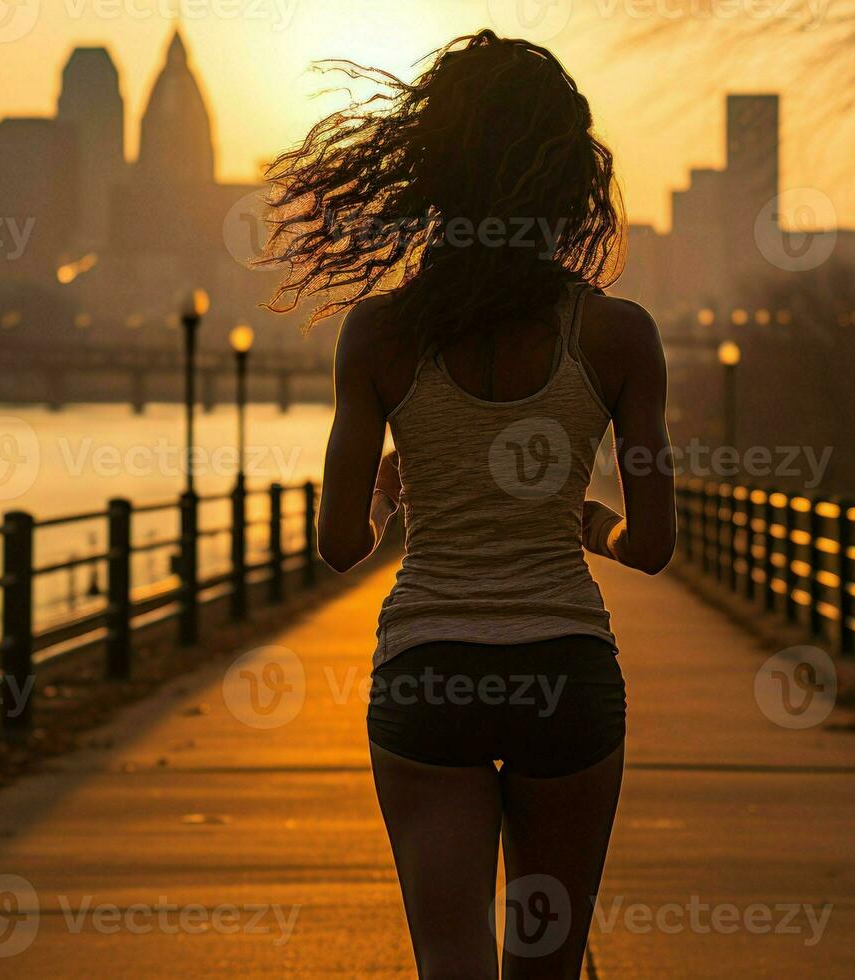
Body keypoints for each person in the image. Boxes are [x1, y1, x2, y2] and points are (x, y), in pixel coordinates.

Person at [265, 31, 676, 978]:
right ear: (569, 174)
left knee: (452, 967)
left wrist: (388, 493)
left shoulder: (378, 334)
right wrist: (593, 527)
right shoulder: (616, 336)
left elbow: (338, 547)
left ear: (429, 169)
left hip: (428, 677)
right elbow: (652, 546)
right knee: (549, 968)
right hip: (565, 683)